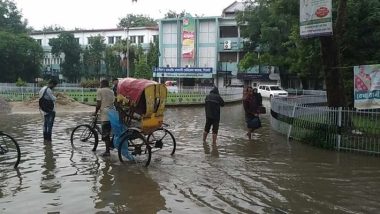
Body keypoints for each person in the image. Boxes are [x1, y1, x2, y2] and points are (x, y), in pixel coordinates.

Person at [94, 79, 115, 156]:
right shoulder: (111, 91)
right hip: (112, 113)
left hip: (105, 114)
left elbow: (98, 103)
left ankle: (107, 151)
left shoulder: (100, 91)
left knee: (105, 133)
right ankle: (111, 146)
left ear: (102, 84)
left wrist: (95, 112)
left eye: (100, 84)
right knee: (110, 131)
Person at [39, 79, 58, 143]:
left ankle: (45, 140)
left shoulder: (43, 88)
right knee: (49, 126)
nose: (54, 87)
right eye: (54, 86)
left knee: (45, 124)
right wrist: (56, 97)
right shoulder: (48, 90)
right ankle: (49, 140)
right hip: (50, 110)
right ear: (52, 84)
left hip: (44, 109)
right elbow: (53, 98)